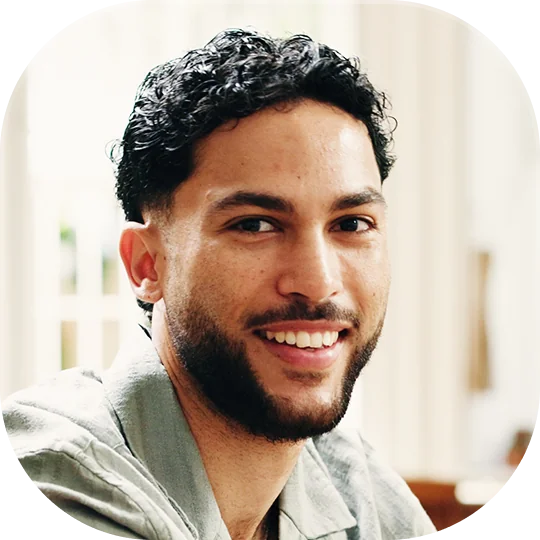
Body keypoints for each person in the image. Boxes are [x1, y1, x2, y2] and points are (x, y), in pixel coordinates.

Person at [2, 28, 437, 539]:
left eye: (352, 224)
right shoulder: (57, 478)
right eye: (255, 224)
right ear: (147, 264)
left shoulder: (352, 481)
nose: (319, 284)